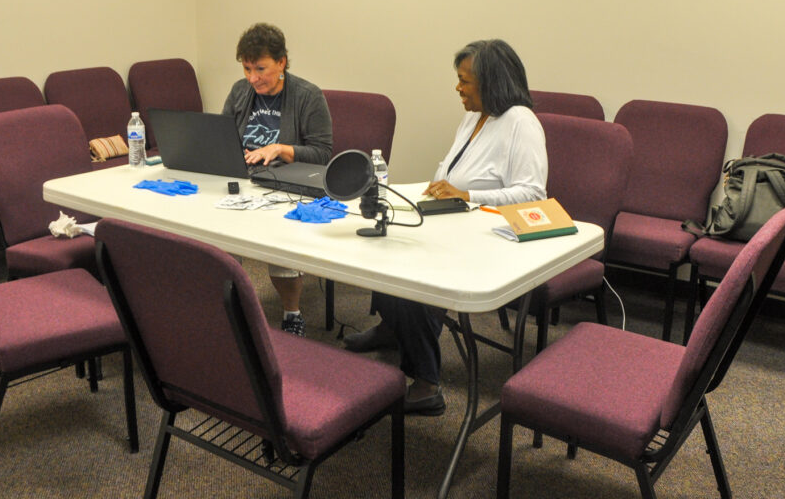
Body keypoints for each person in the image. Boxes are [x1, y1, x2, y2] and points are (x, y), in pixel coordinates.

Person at [344, 39, 547, 415]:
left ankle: (426, 382)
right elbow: (450, 172)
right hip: (455, 221)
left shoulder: (521, 121)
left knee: (418, 275)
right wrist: (440, 189)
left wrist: (466, 195)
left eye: (465, 81)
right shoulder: (473, 116)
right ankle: (392, 327)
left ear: (492, 82)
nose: (458, 88)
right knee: (386, 240)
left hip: (489, 236)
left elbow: (533, 195)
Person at [222, 23, 333, 337]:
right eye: (246, 69)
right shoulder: (240, 91)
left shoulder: (308, 96)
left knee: (276, 239)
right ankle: (230, 307)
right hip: (243, 178)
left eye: (261, 68)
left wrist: (281, 149)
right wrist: (230, 149)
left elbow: (324, 154)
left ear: (282, 62)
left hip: (284, 185)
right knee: (214, 234)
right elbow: (222, 133)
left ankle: (292, 313)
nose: (253, 78)